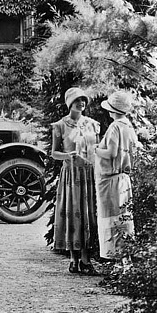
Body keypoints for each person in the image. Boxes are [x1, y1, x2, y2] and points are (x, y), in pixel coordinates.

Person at [51, 87, 100, 275]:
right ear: (70, 103)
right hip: (71, 175)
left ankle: (86, 259)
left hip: (87, 174)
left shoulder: (93, 125)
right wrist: (67, 155)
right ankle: (73, 258)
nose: (82, 104)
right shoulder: (59, 126)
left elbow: (97, 149)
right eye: (78, 100)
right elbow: (54, 153)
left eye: (84, 100)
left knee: (87, 213)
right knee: (72, 212)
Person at [95, 91, 138, 260]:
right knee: (124, 218)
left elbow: (111, 153)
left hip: (111, 179)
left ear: (112, 110)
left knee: (112, 220)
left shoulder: (115, 127)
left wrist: (95, 149)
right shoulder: (128, 126)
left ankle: (118, 262)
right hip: (124, 179)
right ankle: (126, 262)